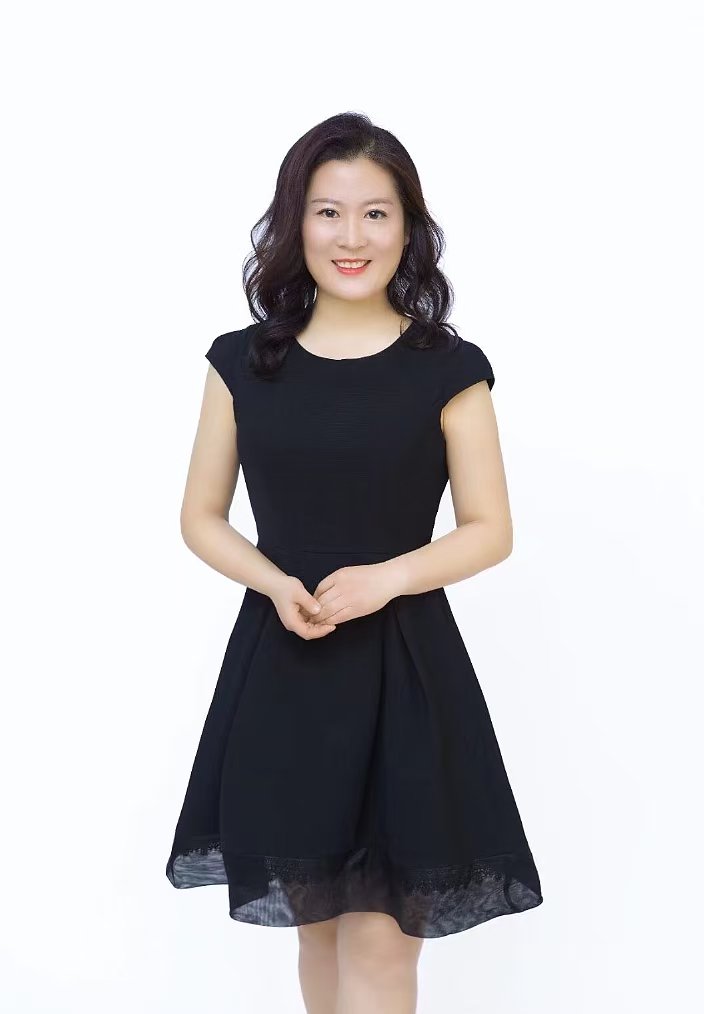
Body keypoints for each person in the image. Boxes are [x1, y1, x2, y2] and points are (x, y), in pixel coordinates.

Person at [165, 111, 543, 1014]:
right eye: (328, 212)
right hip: (285, 670)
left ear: (408, 228)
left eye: (376, 214)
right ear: (295, 223)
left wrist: (388, 578)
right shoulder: (241, 363)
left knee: (380, 943)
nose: (352, 237)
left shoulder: (448, 367)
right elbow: (201, 518)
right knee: (319, 932)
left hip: (406, 677)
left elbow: (489, 528)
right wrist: (273, 583)